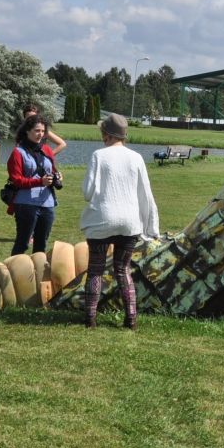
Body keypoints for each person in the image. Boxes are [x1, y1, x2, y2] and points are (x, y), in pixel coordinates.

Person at [79, 113, 159, 329]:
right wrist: (151, 226)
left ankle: (90, 319)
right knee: (122, 270)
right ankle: (131, 318)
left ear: (106, 134)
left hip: (102, 220)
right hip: (129, 222)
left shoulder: (99, 155)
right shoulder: (136, 158)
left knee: (95, 269)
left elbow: (87, 192)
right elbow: (146, 193)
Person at [6, 114, 60, 255]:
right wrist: (39, 181)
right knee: (22, 243)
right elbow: (16, 179)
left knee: (41, 245)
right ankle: (14, 275)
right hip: (25, 203)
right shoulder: (18, 152)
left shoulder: (47, 149)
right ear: (27, 131)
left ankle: (38, 276)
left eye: (42, 131)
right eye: (37, 131)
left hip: (47, 203)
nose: (40, 134)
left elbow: (52, 169)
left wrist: (57, 176)